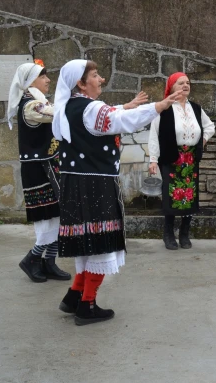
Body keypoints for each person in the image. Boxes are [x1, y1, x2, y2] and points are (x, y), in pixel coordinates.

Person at [53, 59, 181, 325]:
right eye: (96, 75)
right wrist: (159, 106)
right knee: (101, 245)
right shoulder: (91, 108)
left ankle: (75, 296)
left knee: (87, 243)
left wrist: (126, 106)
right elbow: (117, 120)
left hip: (75, 183)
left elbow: (108, 116)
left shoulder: (67, 106)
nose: (101, 79)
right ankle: (87, 305)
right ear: (81, 83)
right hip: (94, 185)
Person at [8, 59, 70, 283]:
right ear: (30, 80)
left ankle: (49, 262)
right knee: (46, 218)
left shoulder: (39, 100)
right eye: (43, 76)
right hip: (38, 171)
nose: (48, 80)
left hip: (50, 168)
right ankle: (31, 259)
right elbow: (58, 114)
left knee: (56, 215)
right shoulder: (30, 105)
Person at [148, 72, 216, 250]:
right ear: (171, 87)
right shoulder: (163, 108)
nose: (185, 86)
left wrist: (203, 140)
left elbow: (210, 127)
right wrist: (153, 160)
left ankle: (185, 233)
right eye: (180, 83)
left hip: (190, 159)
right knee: (171, 197)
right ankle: (168, 234)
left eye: (187, 83)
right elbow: (153, 135)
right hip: (171, 158)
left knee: (190, 196)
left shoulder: (196, 108)